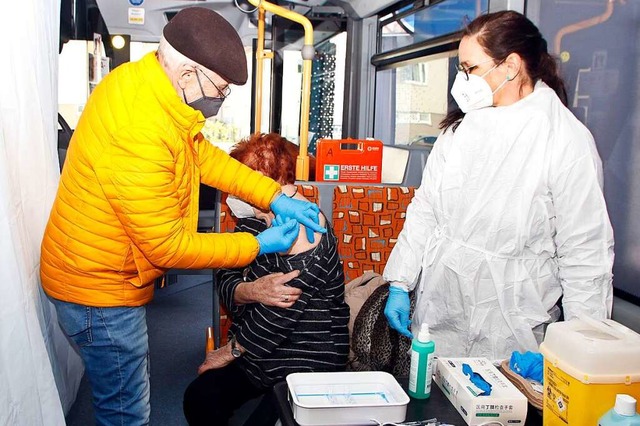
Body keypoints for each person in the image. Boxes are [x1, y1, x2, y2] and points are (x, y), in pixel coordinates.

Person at [40, 8, 325, 426]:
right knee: (125, 408)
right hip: (97, 290)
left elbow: (203, 157)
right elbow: (167, 246)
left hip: (96, 267)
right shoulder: (140, 128)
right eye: (221, 90)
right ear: (189, 73)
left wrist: (272, 197)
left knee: (125, 387)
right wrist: (256, 245)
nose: (221, 100)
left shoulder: (149, 87)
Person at [383, 10, 614, 361]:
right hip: (440, 313)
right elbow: (426, 210)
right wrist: (400, 282)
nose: (462, 81)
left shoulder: (565, 141)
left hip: (513, 328)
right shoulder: (458, 132)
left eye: (470, 69)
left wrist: (579, 352)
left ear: (510, 66)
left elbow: (585, 255)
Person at [183, 133, 350, 426]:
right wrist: (249, 291)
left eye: (239, 186)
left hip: (307, 359)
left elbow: (280, 313)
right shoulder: (253, 222)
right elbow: (225, 279)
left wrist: (230, 351)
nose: (234, 196)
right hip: (258, 356)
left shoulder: (308, 229)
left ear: (262, 183)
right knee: (199, 398)